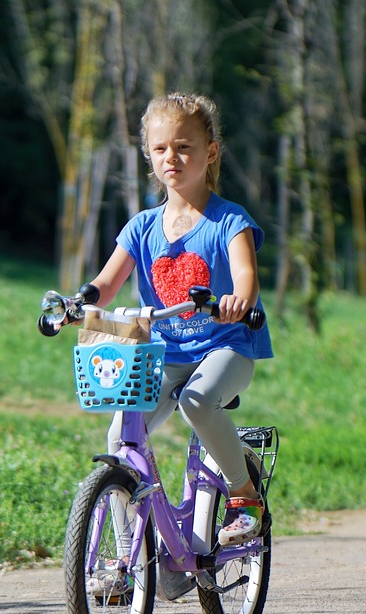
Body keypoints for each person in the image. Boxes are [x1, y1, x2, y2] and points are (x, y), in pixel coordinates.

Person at [85, 92, 274, 547]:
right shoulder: (142, 227)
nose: (171, 156)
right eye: (160, 148)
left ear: (210, 152)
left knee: (197, 401)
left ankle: (245, 495)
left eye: (184, 147)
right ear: (149, 156)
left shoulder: (229, 221)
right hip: (165, 353)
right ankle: (129, 553)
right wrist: (79, 302)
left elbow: (246, 277)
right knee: (120, 435)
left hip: (227, 346)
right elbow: (106, 283)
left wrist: (238, 301)